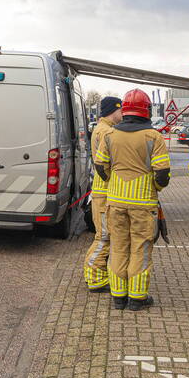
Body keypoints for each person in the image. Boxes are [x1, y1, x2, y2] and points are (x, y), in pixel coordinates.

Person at [94, 89, 170, 311]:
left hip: (115, 202)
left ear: (124, 110)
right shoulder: (153, 137)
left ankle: (118, 296)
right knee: (141, 248)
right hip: (143, 204)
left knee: (118, 247)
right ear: (146, 110)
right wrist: (155, 187)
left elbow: (100, 166)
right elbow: (162, 173)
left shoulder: (109, 135)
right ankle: (137, 298)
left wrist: (113, 182)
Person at [82, 96, 122, 292]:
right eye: (120, 110)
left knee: (104, 235)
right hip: (105, 191)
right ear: (112, 111)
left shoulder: (101, 129)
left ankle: (96, 274)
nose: (122, 114)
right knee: (104, 237)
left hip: (102, 190)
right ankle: (94, 276)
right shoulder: (107, 131)